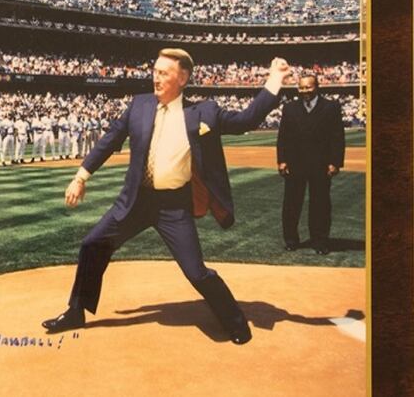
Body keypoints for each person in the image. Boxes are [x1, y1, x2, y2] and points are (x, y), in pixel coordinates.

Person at [42, 49, 292, 346]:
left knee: (196, 272)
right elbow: (110, 140)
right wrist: (80, 177)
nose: (156, 78)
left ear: (182, 78)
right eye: (155, 71)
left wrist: (274, 80)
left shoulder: (204, 112)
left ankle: (236, 322)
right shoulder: (139, 105)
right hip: (135, 201)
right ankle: (76, 311)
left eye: (163, 73)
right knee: (92, 245)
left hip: (173, 207)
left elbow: (245, 121)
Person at [277, 74, 345, 255]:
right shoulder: (290, 108)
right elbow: (283, 136)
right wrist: (282, 160)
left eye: (308, 87)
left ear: (317, 87)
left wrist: (335, 162)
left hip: (320, 164)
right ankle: (291, 240)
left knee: (320, 204)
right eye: (301, 87)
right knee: (291, 204)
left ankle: (320, 241)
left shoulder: (331, 107)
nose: (304, 91)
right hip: (295, 164)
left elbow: (337, 137)